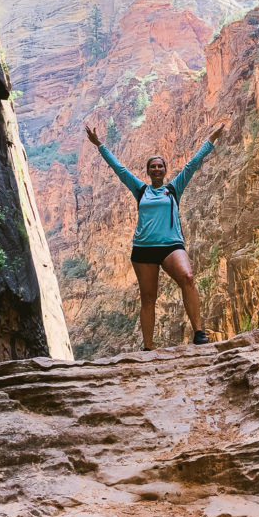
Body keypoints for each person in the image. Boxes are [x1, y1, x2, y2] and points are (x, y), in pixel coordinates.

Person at [84, 121, 225, 349]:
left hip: (171, 246)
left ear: (165, 170)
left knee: (187, 278)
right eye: (153, 167)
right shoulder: (140, 190)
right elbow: (119, 169)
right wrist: (99, 144)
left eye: (161, 166)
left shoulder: (173, 188)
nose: (157, 169)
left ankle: (199, 332)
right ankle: (148, 347)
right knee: (148, 298)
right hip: (144, 249)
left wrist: (212, 138)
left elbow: (193, 163)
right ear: (148, 171)